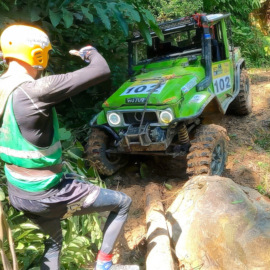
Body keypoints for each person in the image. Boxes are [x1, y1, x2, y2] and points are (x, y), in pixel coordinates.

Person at [0, 24, 132, 270]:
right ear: (37, 55)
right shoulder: (35, 90)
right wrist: (89, 52)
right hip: (46, 194)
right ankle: (104, 264)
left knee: (54, 243)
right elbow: (101, 69)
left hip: (18, 192)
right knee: (122, 202)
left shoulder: (2, 87)